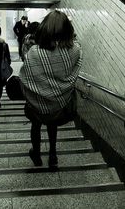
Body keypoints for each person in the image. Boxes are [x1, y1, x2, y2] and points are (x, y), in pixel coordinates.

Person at [19, 10, 82, 168]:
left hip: (36, 105)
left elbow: (25, 78)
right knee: (52, 126)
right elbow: (75, 46)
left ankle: (37, 153)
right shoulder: (75, 51)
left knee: (36, 126)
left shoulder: (35, 52)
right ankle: (53, 154)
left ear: (44, 29)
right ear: (68, 30)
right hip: (60, 105)